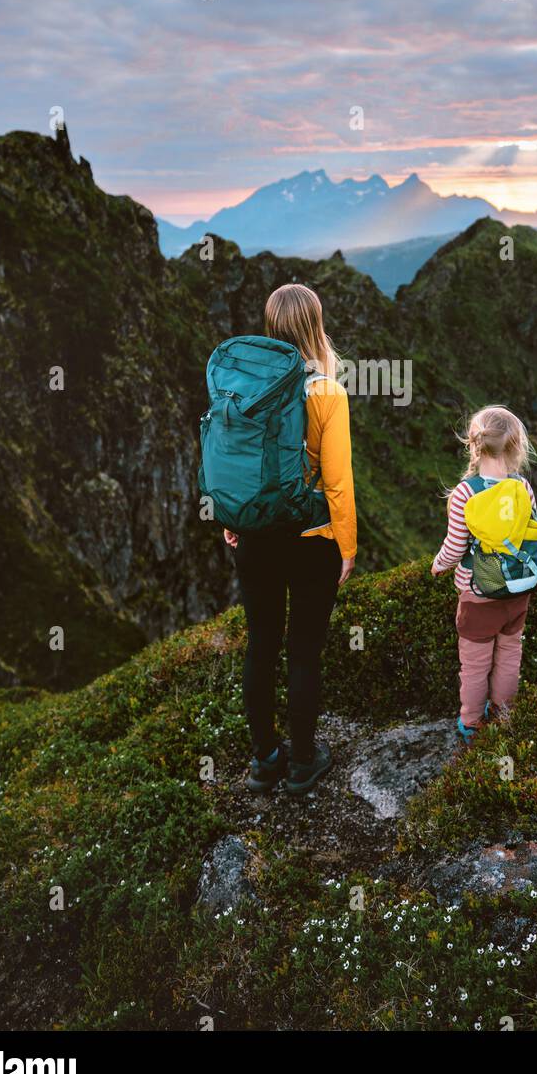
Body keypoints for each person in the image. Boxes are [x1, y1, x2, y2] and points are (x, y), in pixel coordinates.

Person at [224, 284, 356, 795]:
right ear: (315, 328)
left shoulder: (245, 387)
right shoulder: (327, 393)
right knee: (303, 651)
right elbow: (338, 481)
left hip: (256, 535)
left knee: (260, 645)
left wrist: (233, 517)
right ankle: (303, 762)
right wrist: (346, 545)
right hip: (311, 538)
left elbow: (233, 460)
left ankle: (264, 760)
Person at [431, 405, 535, 743]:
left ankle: (472, 724)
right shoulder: (523, 487)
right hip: (517, 589)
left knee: (475, 664)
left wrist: (439, 564)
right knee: (509, 654)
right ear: (516, 447)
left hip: (478, 593)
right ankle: (503, 713)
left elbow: (455, 546)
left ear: (474, 445)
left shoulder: (466, 492)